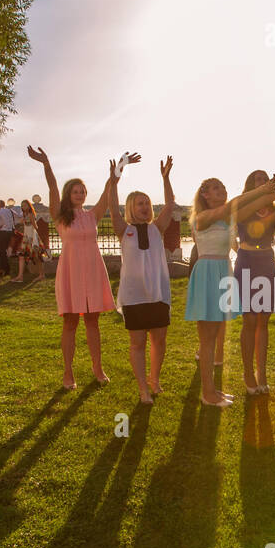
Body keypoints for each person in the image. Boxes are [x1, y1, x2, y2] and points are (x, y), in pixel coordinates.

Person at [186, 172, 275, 407]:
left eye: (223, 187)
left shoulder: (227, 218)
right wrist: (264, 189)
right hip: (207, 273)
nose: (222, 190)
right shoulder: (204, 217)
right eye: (216, 188)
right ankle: (208, 394)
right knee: (207, 339)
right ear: (205, 195)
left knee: (215, 333)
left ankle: (212, 390)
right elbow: (235, 204)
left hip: (221, 272)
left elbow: (251, 207)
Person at [29, 145, 126, 389]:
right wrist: (46, 164)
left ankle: (97, 367)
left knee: (93, 322)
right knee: (70, 323)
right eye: (75, 191)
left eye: (82, 191)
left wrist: (117, 173)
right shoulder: (60, 216)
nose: (80, 194)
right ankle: (68, 372)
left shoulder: (92, 216)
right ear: (68, 194)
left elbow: (107, 193)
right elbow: (52, 188)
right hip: (71, 273)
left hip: (93, 271)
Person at [110, 155, 178, 403]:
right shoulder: (123, 229)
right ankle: (142, 389)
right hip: (134, 296)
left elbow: (170, 205)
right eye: (140, 204)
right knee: (137, 343)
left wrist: (166, 178)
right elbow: (111, 204)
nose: (145, 207)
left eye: (147, 203)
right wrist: (114, 178)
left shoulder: (156, 228)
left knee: (159, 340)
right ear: (130, 208)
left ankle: (155, 378)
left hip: (158, 293)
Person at [234, 170, 275, 395]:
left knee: (263, 319)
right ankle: (248, 372)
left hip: (267, 261)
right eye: (257, 179)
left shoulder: (272, 206)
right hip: (246, 261)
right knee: (249, 319)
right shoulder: (244, 206)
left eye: (264, 178)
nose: (262, 182)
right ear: (250, 184)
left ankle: (262, 372)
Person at [13, 199, 44, 283]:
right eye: (22, 206)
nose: (23, 207)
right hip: (26, 237)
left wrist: (29, 222)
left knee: (36, 257)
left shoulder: (30, 214)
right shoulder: (24, 214)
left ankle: (41, 275)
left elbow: (36, 227)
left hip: (32, 237)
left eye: (25, 205)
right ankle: (20, 276)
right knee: (21, 256)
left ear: (29, 206)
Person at [0, 200, 16, 277]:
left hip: (2, 232)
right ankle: (3, 269)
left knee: (2, 251)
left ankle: (4, 269)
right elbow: (12, 221)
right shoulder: (9, 210)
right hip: (9, 232)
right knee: (4, 251)